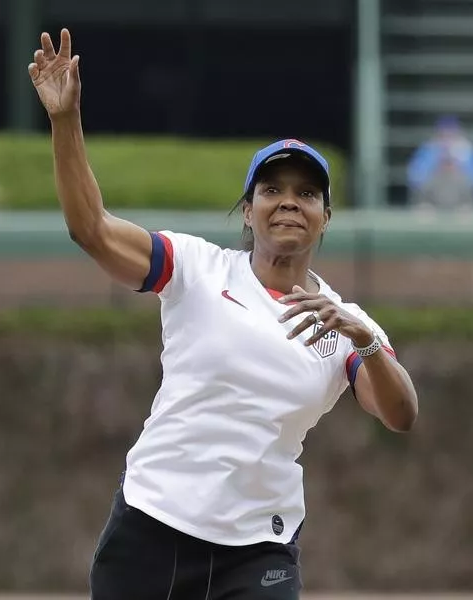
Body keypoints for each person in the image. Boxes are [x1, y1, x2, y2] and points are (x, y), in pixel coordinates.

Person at [28, 29, 419, 600]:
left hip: (259, 551)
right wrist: (66, 121)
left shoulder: (345, 324)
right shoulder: (195, 268)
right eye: (272, 188)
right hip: (151, 529)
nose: (289, 200)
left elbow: (401, 414)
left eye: (308, 193)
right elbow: (91, 229)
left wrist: (363, 340)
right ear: (249, 210)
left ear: (326, 217)